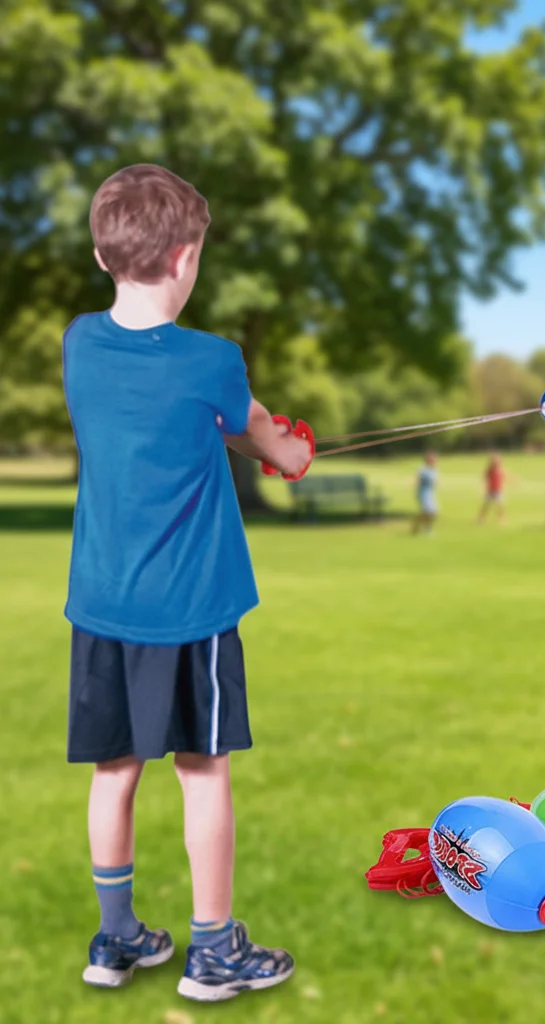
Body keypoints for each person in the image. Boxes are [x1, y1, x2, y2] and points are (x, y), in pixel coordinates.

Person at [63, 165, 310, 1001]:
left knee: (114, 769)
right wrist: (293, 453)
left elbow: (189, 416)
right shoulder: (215, 358)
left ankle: (116, 937)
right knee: (202, 770)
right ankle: (212, 951)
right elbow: (260, 436)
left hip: (101, 604)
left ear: (104, 257)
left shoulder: (78, 342)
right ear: (183, 259)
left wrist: (254, 435)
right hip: (189, 611)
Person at [412, 451, 439, 534]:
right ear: (427, 460)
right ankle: (424, 528)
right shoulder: (422, 469)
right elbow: (417, 481)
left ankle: (418, 527)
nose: (434, 461)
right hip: (423, 493)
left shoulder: (434, 470)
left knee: (433, 512)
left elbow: (435, 482)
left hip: (430, 493)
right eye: (432, 459)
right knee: (428, 511)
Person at [478, 453, 507, 524]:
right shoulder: (490, 470)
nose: (496, 462)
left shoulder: (500, 469)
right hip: (490, 490)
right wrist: (483, 488)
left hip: (498, 490)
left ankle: (501, 519)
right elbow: (485, 478)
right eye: (495, 461)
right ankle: (481, 518)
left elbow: (504, 476)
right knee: (486, 505)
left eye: (498, 460)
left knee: (500, 505)